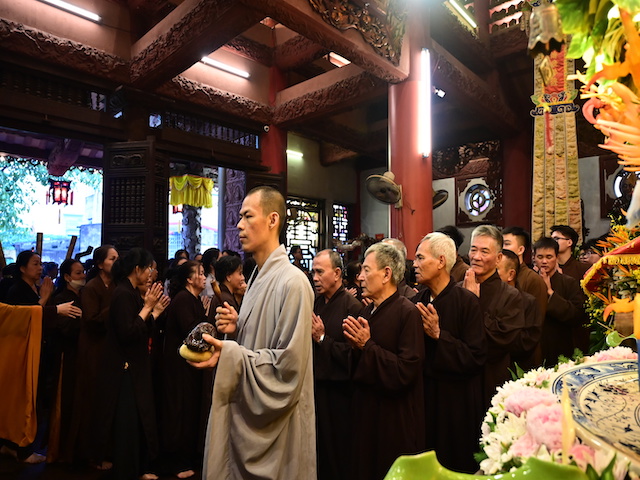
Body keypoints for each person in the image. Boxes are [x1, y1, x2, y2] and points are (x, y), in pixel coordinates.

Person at [193, 186, 316, 480]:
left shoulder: (293, 282)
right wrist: (238, 328)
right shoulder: (257, 278)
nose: (239, 225)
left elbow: (288, 367)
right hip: (248, 414)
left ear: (273, 220)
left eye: (248, 216)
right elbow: (258, 342)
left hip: (279, 426)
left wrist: (230, 353)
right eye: (240, 217)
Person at [343, 242, 425, 480]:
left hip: (394, 419)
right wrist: (356, 348)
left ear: (387, 274)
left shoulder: (407, 313)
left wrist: (367, 346)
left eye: (366, 270)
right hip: (366, 413)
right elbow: (356, 367)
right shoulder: (366, 312)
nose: (360, 277)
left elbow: (406, 371)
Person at [412, 232, 486, 473]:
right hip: (424, 399)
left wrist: (438, 335)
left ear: (441, 261)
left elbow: (475, 357)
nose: (415, 264)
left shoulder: (466, 301)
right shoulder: (417, 301)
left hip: (456, 403)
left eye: (420, 258)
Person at [98, 248, 169, 480]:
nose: (150, 274)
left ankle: (138, 469)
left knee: (137, 419)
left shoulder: (131, 292)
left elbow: (141, 329)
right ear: (137, 269)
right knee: (127, 422)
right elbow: (127, 333)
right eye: (148, 268)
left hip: (135, 366)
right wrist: (148, 307)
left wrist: (154, 313)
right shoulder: (122, 294)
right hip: (123, 370)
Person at [3, 251, 80, 463]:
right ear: (22, 268)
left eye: (40, 264)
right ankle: (20, 447)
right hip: (20, 353)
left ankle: (17, 444)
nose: (40, 268)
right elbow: (21, 319)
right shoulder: (16, 290)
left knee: (35, 399)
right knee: (23, 400)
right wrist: (47, 301)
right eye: (35, 264)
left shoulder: (34, 288)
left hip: (40, 349)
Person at [310, 249, 362, 480]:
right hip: (315, 388)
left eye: (320, 272)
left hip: (340, 394)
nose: (315, 278)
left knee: (339, 454)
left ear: (338, 273)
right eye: (313, 272)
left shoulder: (352, 307)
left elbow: (354, 355)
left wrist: (323, 338)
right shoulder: (315, 303)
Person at [462, 225, 525, 408]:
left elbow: (498, 342)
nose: (476, 257)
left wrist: (473, 302)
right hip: (459, 380)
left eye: (484, 251)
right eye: (473, 249)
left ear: (498, 258)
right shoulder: (459, 288)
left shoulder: (511, 296)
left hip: (491, 378)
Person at [69, 244, 118, 468]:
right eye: (111, 259)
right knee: (91, 400)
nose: (116, 263)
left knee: (107, 402)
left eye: (117, 258)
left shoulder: (116, 285)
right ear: (99, 264)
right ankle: (90, 455)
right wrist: (116, 304)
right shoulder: (91, 287)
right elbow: (91, 320)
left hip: (109, 349)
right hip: (93, 349)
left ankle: (106, 452)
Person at [160, 260, 209, 479]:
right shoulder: (182, 299)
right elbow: (192, 333)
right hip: (178, 367)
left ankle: (188, 457)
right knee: (178, 412)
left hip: (190, 366)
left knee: (190, 411)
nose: (204, 277)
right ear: (189, 279)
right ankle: (176, 462)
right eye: (200, 273)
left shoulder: (194, 299)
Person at [47, 258, 86, 463]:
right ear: (67, 277)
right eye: (78, 273)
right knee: (66, 402)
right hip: (66, 356)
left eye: (83, 272)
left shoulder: (84, 295)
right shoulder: (61, 298)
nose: (83, 276)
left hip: (82, 356)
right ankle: (62, 452)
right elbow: (64, 330)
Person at [533, 237, 588, 364]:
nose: (544, 261)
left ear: (557, 257)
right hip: (537, 344)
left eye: (549, 257)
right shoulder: (530, 281)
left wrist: (550, 292)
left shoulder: (568, 282)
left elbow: (576, 314)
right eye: (540, 257)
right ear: (534, 258)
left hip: (561, 343)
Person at [497, 250, 543, 370]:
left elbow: (527, 343)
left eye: (496, 270)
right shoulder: (485, 297)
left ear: (511, 275)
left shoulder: (528, 302)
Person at [550, 225, 590, 353]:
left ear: (569, 242)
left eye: (556, 239)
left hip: (576, 330)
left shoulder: (583, 269)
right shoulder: (546, 270)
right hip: (553, 331)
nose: (552, 242)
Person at [502, 226, 548, 322]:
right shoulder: (498, 273)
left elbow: (537, 318)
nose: (502, 248)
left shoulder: (533, 279)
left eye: (506, 244)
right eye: (500, 244)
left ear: (520, 250)